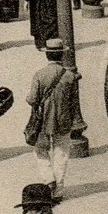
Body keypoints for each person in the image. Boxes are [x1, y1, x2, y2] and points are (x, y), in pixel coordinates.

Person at [25, 39, 86, 192]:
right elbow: (73, 102)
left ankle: (48, 179)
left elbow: (32, 99)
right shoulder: (70, 76)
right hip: (63, 120)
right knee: (61, 153)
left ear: (47, 55)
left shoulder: (39, 75)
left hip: (42, 121)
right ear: (62, 55)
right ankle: (58, 189)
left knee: (40, 150)